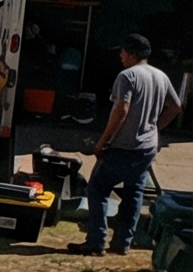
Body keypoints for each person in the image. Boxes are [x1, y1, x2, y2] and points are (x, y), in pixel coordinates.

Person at [77, 33, 184, 255]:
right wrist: (155, 127)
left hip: (124, 145)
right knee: (134, 193)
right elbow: (175, 107)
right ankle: (123, 243)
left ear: (132, 54)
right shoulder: (160, 76)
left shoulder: (127, 76)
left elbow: (121, 109)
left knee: (97, 189)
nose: (120, 56)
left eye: (123, 52)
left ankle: (96, 240)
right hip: (147, 148)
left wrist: (103, 140)